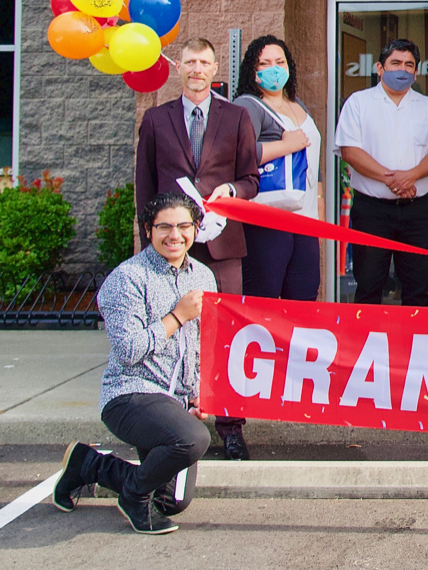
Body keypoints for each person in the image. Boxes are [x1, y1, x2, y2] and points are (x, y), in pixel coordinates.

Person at [53, 192, 215, 535]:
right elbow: (128, 349)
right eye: (165, 227)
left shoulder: (203, 277)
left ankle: (90, 465)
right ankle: (132, 495)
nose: (175, 235)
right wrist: (176, 316)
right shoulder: (126, 279)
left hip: (175, 401)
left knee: (173, 502)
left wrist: (200, 391)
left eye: (184, 226)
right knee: (192, 440)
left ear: (196, 228)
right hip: (131, 395)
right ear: (148, 230)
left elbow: (202, 346)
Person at [134, 36, 259, 460]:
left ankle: (230, 426)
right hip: (171, 246)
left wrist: (231, 189)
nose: (196, 70)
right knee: (171, 332)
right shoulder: (156, 119)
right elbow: (145, 185)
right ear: (179, 67)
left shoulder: (237, 117)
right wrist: (148, 244)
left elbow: (251, 180)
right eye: (189, 62)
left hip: (222, 245)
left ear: (214, 68)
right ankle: (170, 423)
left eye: (204, 63)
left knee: (224, 335)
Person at [334, 38, 428, 308]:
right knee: (369, 287)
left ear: (416, 71)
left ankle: (415, 349)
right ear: (379, 67)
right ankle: (366, 348)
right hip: (372, 211)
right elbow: (350, 151)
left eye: (409, 65)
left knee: (418, 289)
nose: (402, 70)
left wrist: (411, 176)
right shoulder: (358, 103)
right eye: (395, 63)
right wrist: (393, 179)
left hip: (417, 212)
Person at [233, 34, 321, 303]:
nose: (274, 68)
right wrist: (285, 146)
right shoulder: (248, 105)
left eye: (279, 62)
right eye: (265, 63)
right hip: (267, 219)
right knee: (265, 298)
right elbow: (239, 155)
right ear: (253, 70)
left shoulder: (298, 104)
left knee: (304, 298)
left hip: (305, 221)